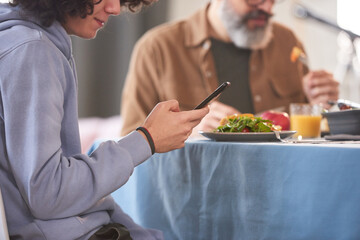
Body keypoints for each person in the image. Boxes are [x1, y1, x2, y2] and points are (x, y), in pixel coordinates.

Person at [0, 0, 209, 239]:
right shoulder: (33, 50)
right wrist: (146, 139)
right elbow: (48, 192)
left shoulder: (27, 40)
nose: (115, 9)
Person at [120, 0, 339, 136]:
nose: (267, 8)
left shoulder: (287, 42)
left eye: (273, 0)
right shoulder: (157, 48)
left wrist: (319, 106)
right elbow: (130, 139)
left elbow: (308, 133)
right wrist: (189, 131)